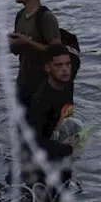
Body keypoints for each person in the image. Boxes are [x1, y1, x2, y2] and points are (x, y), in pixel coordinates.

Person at [24, 44, 76, 188]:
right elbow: (34, 141)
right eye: (58, 65)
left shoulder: (67, 87)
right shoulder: (41, 100)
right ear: (48, 68)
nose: (65, 69)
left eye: (68, 64)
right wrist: (67, 149)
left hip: (61, 159)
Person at [9, 0, 61, 109]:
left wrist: (28, 42)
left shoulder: (46, 17)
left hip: (43, 85)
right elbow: (16, 51)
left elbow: (57, 52)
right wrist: (14, 44)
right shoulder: (20, 16)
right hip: (23, 83)